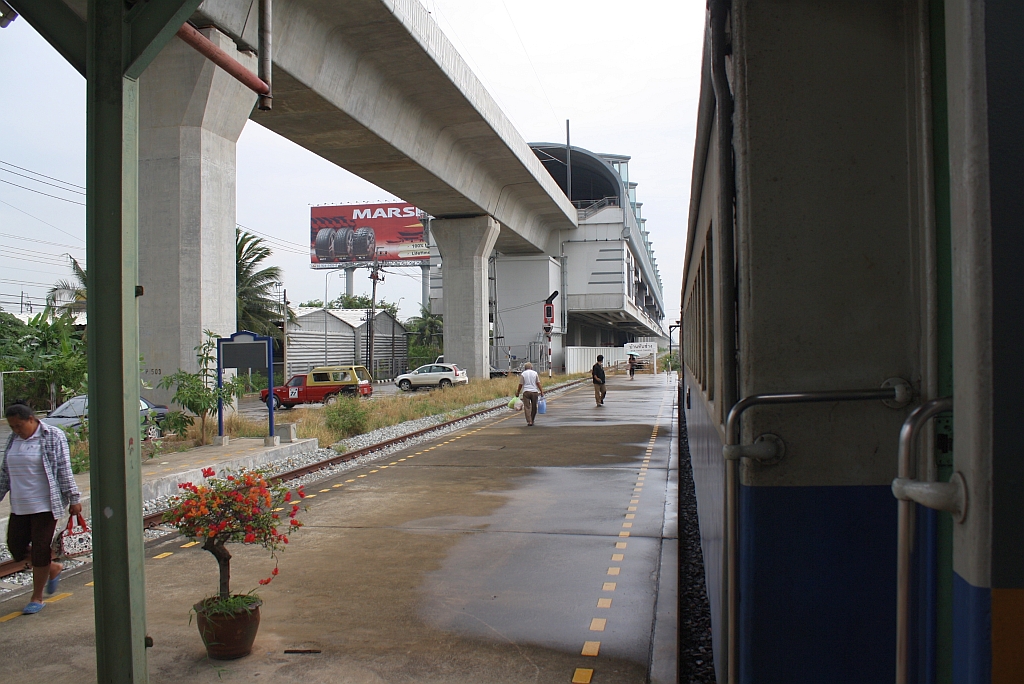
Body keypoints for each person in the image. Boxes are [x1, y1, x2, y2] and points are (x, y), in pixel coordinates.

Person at [1, 402, 82, 614]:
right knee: (15, 546)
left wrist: (74, 499)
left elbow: (64, 470)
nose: (16, 430)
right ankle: (52, 567)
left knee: (40, 549)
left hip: (45, 505)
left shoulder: (52, 436)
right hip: (20, 505)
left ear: (31, 420)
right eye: (12, 427)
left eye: (19, 425)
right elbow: (5, 473)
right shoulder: (14, 440)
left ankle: (36, 597)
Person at [515, 362, 544, 426]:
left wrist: (518, 392)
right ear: (531, 367)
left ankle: (529, 421)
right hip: (534, 392)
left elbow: (520, 384)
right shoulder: (535, 373)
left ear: (525, 368)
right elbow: (538, 383)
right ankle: (532, 419)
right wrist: (541, 391)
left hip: (526, 392)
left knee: (527, 407)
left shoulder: (523, 374)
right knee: (534, 407)